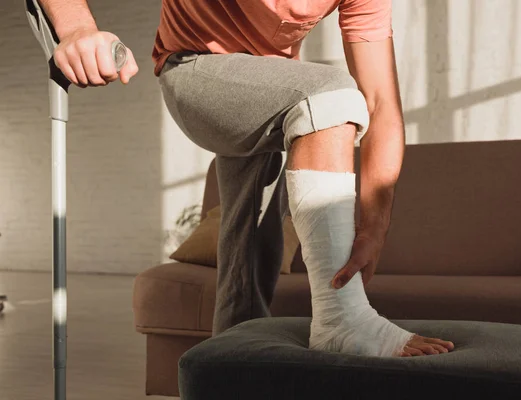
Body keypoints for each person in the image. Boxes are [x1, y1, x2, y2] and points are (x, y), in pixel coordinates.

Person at [40, 0, 454, 358]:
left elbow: (381, 101)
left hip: (271, 85)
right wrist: (78, 28)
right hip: (191, 67)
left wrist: (375, 226)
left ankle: (231, 372)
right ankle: (342, 319)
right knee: (330, 95)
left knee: (249, 271)